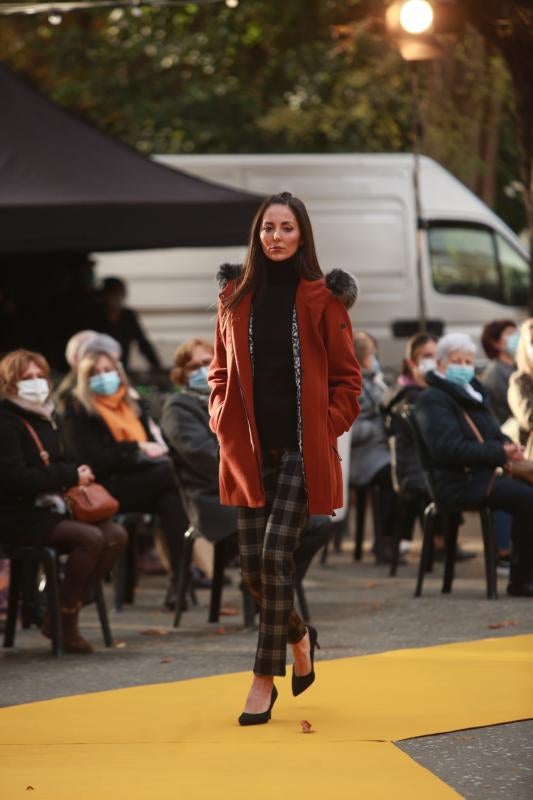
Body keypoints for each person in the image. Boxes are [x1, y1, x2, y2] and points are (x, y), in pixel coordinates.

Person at [209, 191, 361, 725]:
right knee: (254, 570)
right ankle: (299, 637)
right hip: (248, 453)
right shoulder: (233, 295)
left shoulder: (323, 298)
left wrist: (326, 429)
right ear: (257, 235)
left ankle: (260, 680)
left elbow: (349, 381)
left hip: (302, 452)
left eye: (286, 228)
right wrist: (220, 417)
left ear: (302, 236)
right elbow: (218, 372)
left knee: (275, 556)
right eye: (268, 228)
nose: (275, 236)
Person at [0, 349, 127, 653]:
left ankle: (62, 612)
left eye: (39, 376)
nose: (36, 383)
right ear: (10, 384)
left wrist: (76, 471)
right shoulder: (6, 422)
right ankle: (65, 622)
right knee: (90, 538)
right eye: (26, 378)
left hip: (54, 507)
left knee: (115, 535)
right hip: (18, 513)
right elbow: (14, 479)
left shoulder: (47, 416)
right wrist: (69, 474)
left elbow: (66, 460)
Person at [60, 349, 187, 608]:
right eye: (95, 373)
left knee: (171, 499)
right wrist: (136, 449)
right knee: (173, 476)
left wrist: (147, 450)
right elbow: (94, 460)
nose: (103, 377)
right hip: (106, 486)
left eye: (108, 370)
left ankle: (179, 583)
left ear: (119, 374)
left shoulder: (133, 405)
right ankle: (193, 570)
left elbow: (154, 445)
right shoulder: (77, 410)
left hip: (145, 480)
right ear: (84, 380)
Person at [415, 333, 533, 597]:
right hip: (459, 481)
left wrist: (508, 447)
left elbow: (491, 432)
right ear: (442, 364)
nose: (464, 366)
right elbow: (448, 449)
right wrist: (499, 452)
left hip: (481, 474)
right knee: (528, 499)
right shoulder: (433, 399)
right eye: (457, 360)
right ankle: (522, 580)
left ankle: (524, 574)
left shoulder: (471, 391)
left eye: (468, 360)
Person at [382, 333, 475, 562]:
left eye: (436, 356)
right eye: (426, 356)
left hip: (430, 463)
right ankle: (442, 542)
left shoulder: (437, 392)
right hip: (415, 469)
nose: (432, 362)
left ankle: (443, 541)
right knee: (455, 477)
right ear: (412, 362)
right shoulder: (408, 395)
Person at [160, 338, 237, 577]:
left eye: (208, 362)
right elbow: (205, 457)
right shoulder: (178, 408)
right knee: (280, 526)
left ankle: (271, 588)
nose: (203, 370)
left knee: (316, 522)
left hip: (244, 489)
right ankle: (266, 590)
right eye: (194, 367)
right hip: (212, 499)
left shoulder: (230, 398)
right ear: (181, 374)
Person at [350, 330, 397, 560]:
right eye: (371, 355)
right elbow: (347, 432)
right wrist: (379, 427)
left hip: (381, 450)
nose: (375, 360)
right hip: (362, 456)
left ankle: (396, 539)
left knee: (408, 472)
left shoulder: (374, 382)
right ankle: (383, 541)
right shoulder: (351, 385)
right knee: (393, 477)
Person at [95, 277, 161, 370]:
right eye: (113, 294)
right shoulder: (93, 317)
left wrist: (157, 367)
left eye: (120, 294)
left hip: (121, 370)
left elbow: (143, 344)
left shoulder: (128, 316)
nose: (116, 298)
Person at [479, 319, 519, 424]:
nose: (517, 336)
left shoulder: (516, 366)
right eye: (510, 333)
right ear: (495, 343)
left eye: (516, 332)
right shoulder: (495, 373)